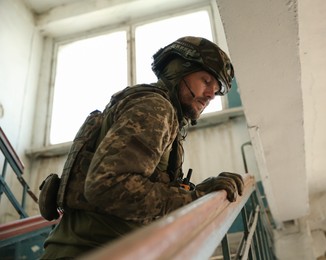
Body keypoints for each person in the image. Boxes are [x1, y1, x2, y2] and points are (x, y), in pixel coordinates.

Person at [40, 36, 244, 259]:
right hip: (91, 251)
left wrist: (194, 191)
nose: (210, 95)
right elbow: (109, 186)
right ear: (178, 71)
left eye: (215, 90)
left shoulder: (162, 112)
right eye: (205, 81)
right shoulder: (155, 108)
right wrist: (194, 199)